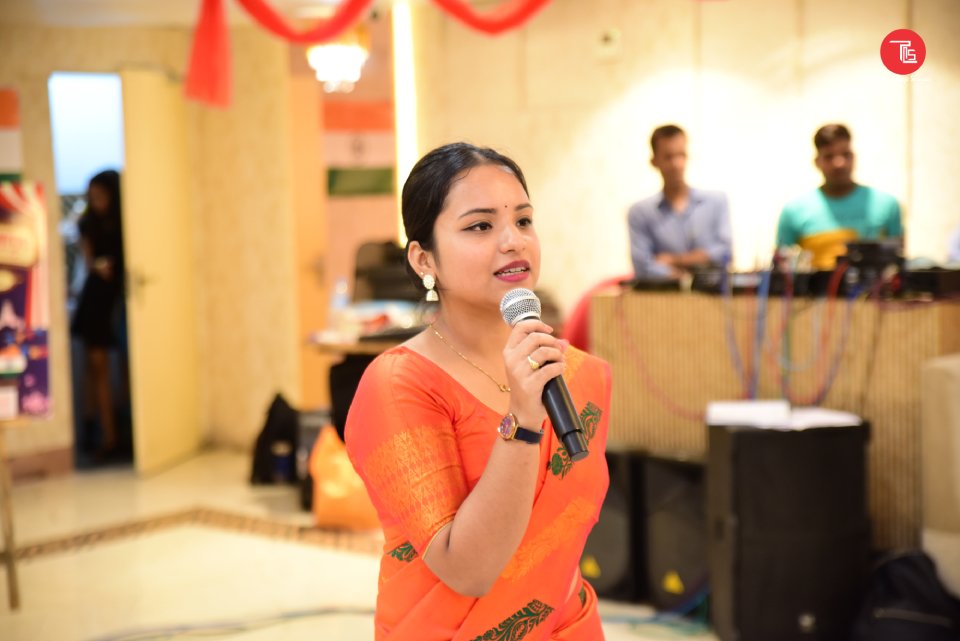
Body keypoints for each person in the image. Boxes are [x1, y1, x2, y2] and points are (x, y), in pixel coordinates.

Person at [345, 143, 612, 640]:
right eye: (480, 226)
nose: (513, 241)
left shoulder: (574, 373)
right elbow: (467, 569)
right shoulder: (399, 386)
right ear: (425, 259)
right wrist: (523, 421)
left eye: (524, 221)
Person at [776, 124, 903, 268]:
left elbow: (897, 266)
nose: (839, 163)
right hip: (814, 290)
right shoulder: (793, 211)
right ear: (817, 162)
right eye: (829, 156)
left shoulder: (886, 205)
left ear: (854, 157)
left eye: (845, 154)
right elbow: (782, 272)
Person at [627, 124, 732, 279]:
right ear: (654, 161)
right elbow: (643, 267)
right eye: (668, 157)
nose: (676, 164)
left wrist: (675, 260)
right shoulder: (640, 213)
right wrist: (691, 269)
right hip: (662, 300)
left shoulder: (716, 202)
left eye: (681, 155)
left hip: (712, 299)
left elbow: (725, 253)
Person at [70, 169, 126, 461]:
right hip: (94, 300)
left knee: (105, 370)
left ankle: (113, 434)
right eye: (93, 197)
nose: (97, 201)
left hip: (112, 301)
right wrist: (96, 267)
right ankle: (99, 432)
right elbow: (90, 261)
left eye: (102, 196)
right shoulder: (87, 225)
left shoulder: (122, 224)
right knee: (94, 369)